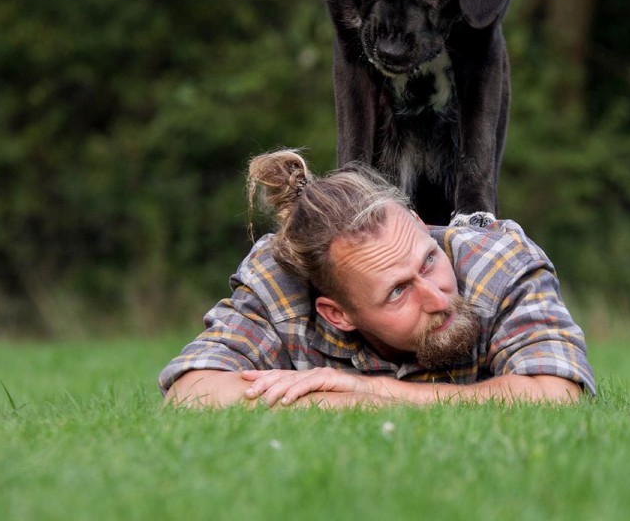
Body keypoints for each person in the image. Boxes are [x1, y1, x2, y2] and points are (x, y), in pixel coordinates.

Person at [159, 149, 596, 407]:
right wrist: (348, 406)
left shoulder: (500, 263)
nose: (437, 298)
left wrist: (371, 392)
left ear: (420, 223)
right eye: (398, 291)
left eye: (427, 262)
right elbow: (190, 392)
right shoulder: (279, 283)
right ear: (337, 313)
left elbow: (559, 394)